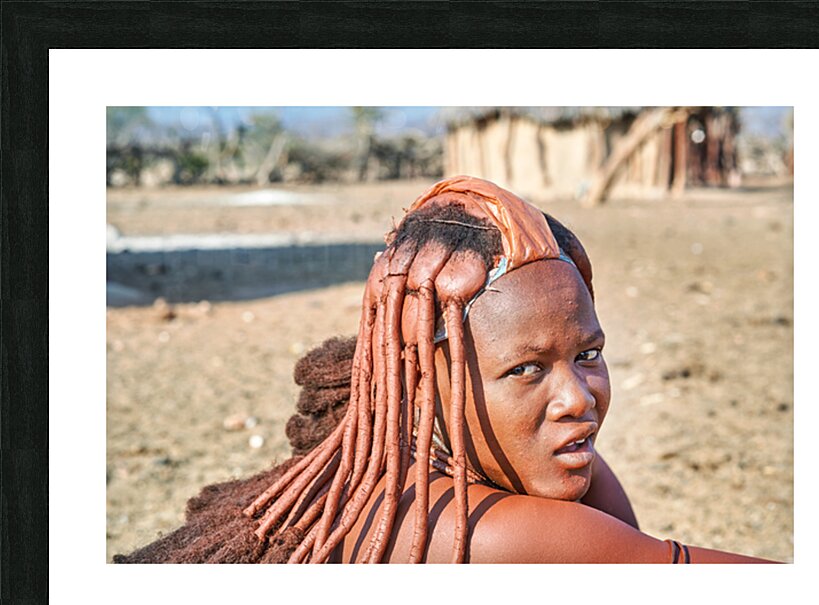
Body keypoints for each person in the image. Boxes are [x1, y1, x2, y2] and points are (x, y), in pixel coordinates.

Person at [115, 176, 777, 564]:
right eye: (525, 369)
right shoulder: (503, 536)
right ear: (426, 384)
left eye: (588, 354)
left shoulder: (382, 469)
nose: (577, 397)